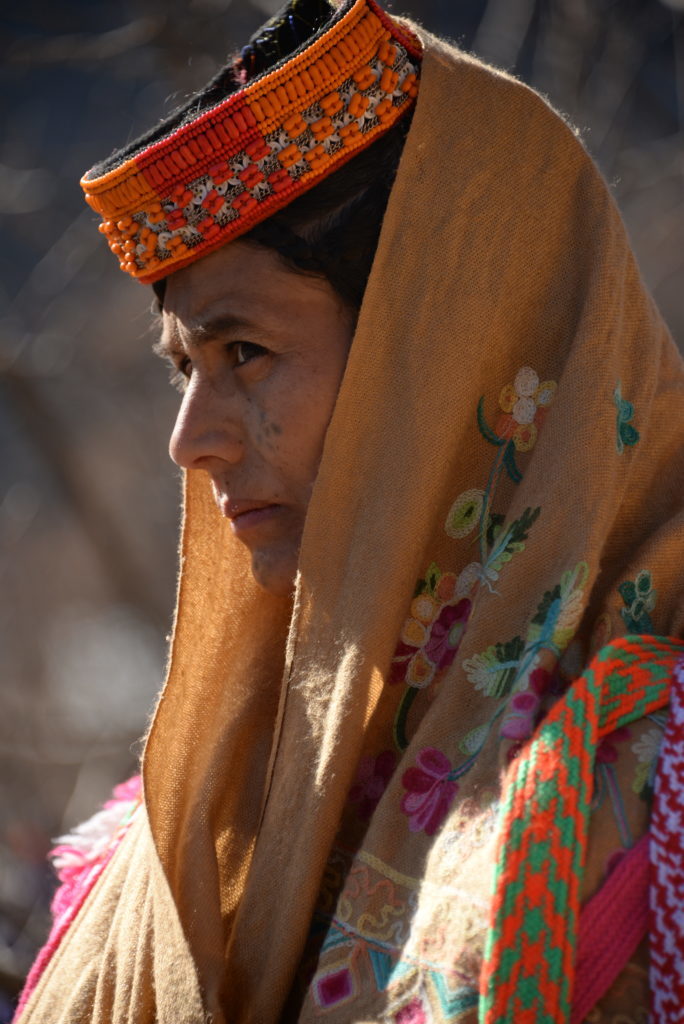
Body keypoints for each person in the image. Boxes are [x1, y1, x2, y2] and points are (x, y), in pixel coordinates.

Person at [13, 0, 684, 1021]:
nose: (189, 440)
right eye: (184, 369)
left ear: (450, 356)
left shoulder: (657, 790)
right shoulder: (185, 826)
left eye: (245, 352)